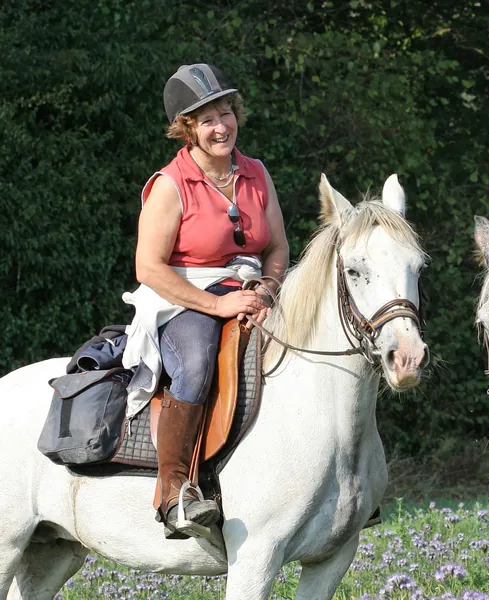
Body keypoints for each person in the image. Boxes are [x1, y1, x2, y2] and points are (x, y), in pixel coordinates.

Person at [122, 63, 290, 538]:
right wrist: (217, 306)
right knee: (195, 363)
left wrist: (268, 287)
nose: (222, 127)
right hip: (185, 299)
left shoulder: (256, 173)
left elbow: (276, 246)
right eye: (207, 119)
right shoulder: (170, 184)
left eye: (225, 113)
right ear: (187, 129)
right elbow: (148, 268)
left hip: (252, 291)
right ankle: (173, 494)